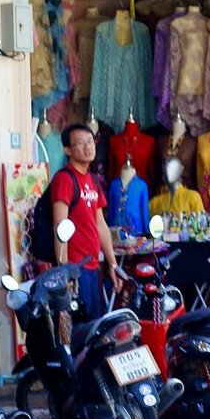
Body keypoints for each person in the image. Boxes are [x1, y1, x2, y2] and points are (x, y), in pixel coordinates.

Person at [54, 123, 120, 319]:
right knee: (79, 331)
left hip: (93, 267)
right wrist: (64, 272)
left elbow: (101, 225)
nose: (87, 147)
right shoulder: (65, 179)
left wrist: (113, 265)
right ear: (67, 150)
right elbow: (60, 227)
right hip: (75, 269)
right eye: (80, 143)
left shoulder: (93, 179)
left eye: (90, 141)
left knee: (94, 326)